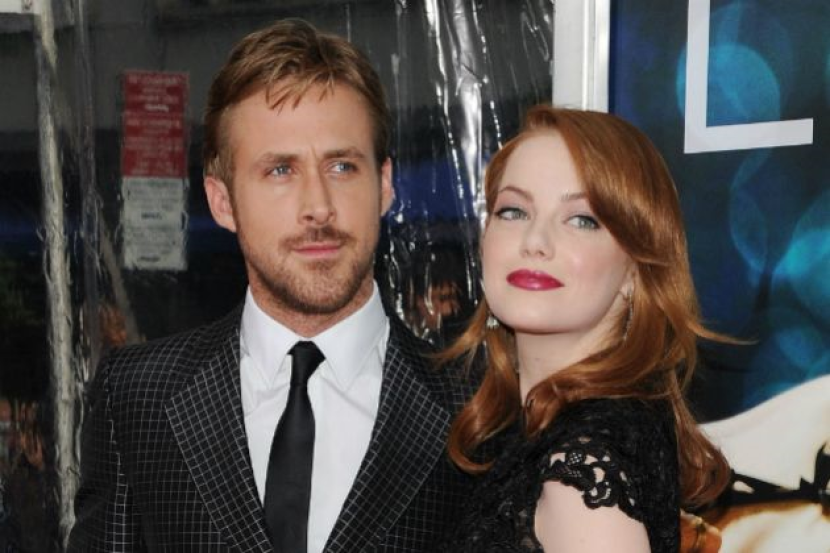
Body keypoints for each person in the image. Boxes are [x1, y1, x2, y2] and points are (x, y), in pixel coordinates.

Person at [68, 19, 475, 552]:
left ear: (383, 185)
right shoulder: (136, 398)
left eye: (342, 166)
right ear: (222, 201)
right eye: (280, 171)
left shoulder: (478, 407)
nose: (318, 207)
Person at [439, 105, 731, 552]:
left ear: (635, 270)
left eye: (582, 220)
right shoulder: (570, 430)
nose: (535, 242)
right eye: (513, 211)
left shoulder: (581, 471)